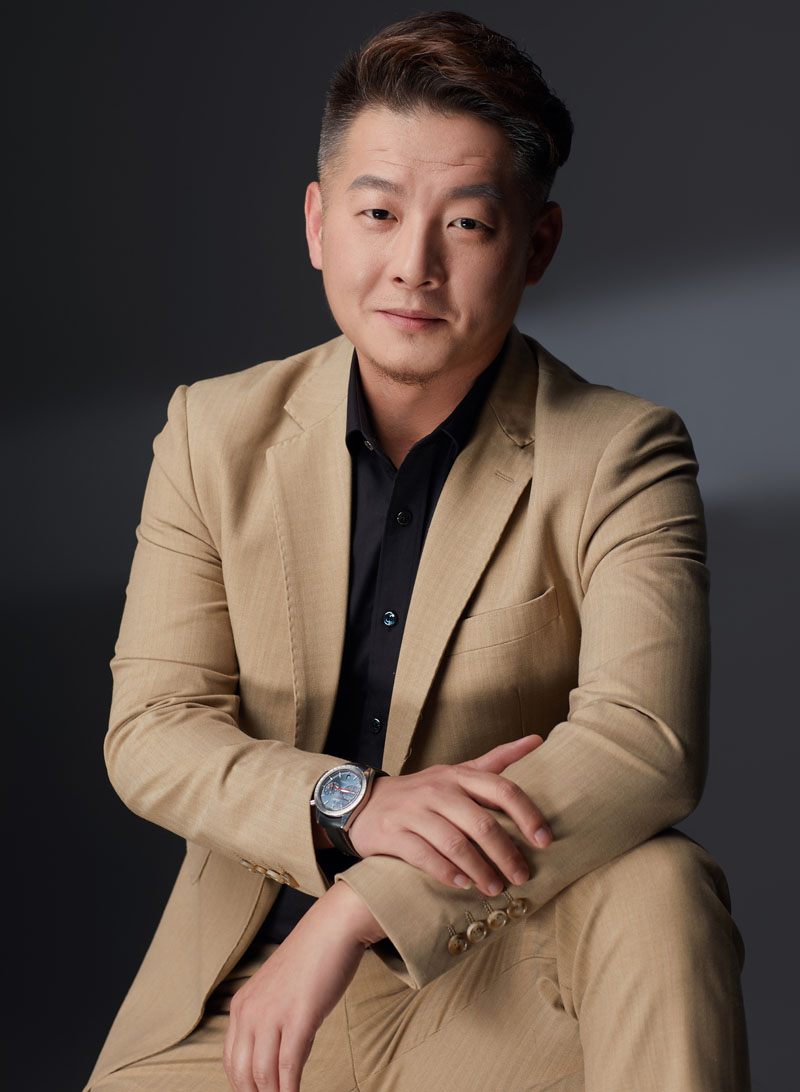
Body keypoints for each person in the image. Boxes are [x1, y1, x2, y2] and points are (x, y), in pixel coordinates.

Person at [86, 11, 750, 1092]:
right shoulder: (212, 433)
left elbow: (644, 744)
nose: (414, 266)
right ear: (318, 223)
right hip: (252, 990)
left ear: (536, 246)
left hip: (499, 983)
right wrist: (354, 802)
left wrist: (363, 903)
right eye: (379, 213)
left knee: (661, 884)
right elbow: (152, 729)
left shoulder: (620, 453)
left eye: (468, 225)